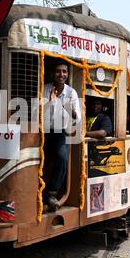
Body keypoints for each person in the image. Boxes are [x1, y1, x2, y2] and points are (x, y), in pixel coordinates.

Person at [43, 61, 81, 212]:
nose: (61, 74)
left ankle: (52, 193)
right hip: (44, 130)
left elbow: (77, 119)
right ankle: (38, 190)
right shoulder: (46, 88)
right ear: (53, 74)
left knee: (62, 157)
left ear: (67, 74)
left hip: (60, 131)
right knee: (35, 157)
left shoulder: (71, 93)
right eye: (58, 71)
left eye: (64, 72)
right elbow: (36, 112)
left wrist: (68, 108)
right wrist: (50, 102)